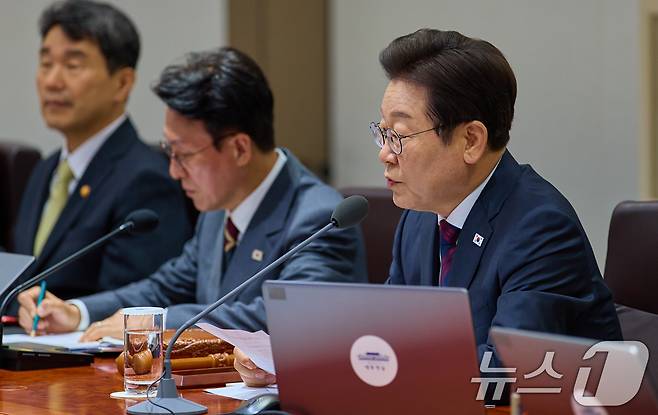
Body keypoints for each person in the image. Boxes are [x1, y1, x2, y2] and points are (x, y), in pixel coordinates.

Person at [233, 28, 622, 388]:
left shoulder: (539, 227)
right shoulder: (419, 219)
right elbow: (385, 337)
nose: (385, 154)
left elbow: (506, 373)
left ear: (471, 140)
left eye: (399, 136)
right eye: (382, 133)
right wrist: (294, 360)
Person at [17, 46, 368, 339]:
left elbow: (286, 317)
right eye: (168, 152)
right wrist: (78, 312)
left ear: (240, 149)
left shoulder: (320, 219)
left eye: (183, 155)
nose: (173, 171)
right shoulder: (217, 211)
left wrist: (154, 323)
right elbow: (165, 287)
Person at [10, 0, 192, 315]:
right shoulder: (46, 169)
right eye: (46, 63)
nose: (52, 81)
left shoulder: (147, 179)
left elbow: (140, 306)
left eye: (73, 65)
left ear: (122, 83)